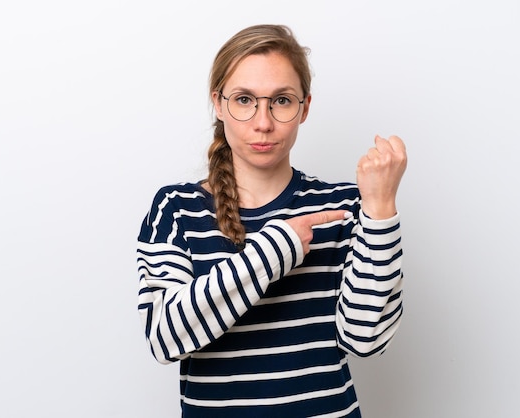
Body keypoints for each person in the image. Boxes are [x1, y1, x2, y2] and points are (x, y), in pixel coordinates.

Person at [137, 24, 407, 417]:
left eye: (281, 101)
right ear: (219, 103)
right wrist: (274, 250)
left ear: (305, 107)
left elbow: (366, 340)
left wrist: (381, 208)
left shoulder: (342, 205)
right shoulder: (176, 209)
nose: (263, 122)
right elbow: (166, 339)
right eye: (245, 99)